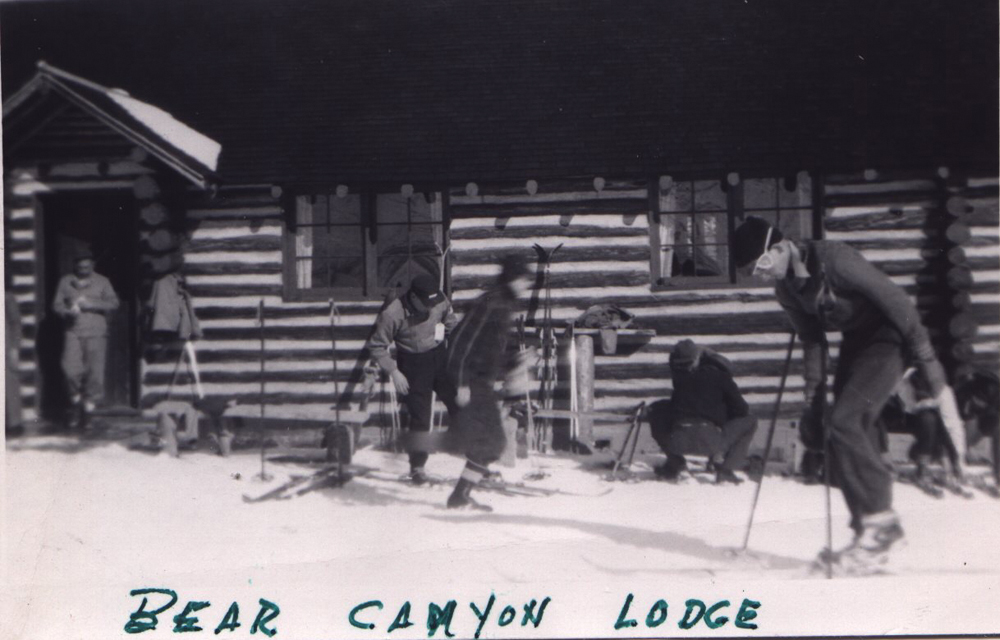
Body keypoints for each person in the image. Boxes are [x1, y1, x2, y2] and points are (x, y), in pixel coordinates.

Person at [732, 216, 957, 570]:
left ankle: (882, 525)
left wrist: (928, 360)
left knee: (846, 421)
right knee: (837, 429)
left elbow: (895, 300)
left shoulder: (834, 260)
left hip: (891, 338)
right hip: (858, 344)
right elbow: (812, 340)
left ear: (778, 247)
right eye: (750, 270)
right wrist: (812, 398)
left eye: (760, 264)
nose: (759, 274)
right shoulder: (786, 289)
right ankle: (866, 532)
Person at [443, 255, 532, 510]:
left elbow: (491, 351)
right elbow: (461, 343)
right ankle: (459, 496)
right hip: (470, 383)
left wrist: (515, 361)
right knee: (493, 442)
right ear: (513, 278)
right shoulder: (489, 304)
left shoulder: (504, 305)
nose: (526, 286)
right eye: (524, 280)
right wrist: (461, 383)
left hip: (481, 383)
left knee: (491, 443)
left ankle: (460, 496)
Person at [367, 273, 460, 483]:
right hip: (413, 364)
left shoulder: (439, 299)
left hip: (439, 356)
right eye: (425, 303)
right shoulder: (393, 313)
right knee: (420, 418)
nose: (430, 307)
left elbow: (451, 323)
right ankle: (417, 467)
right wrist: (394, 372)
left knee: (459, 403)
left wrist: (453, 347)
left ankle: (475, 459)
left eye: (432, 302)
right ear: (414, 297)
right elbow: (377, 346)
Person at [649, 340, 758, 484]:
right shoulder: (721, 377)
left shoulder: (681, 379)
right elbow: (742, 410)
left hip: (678, 442)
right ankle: (726, 469)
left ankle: (675, 463)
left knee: (655, 412)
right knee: (751, 421)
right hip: (712, 442)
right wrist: (723, 413)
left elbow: (673, 409)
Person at [52, 250, 120, 425]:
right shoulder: (65, 281)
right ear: (75, 265)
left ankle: (88, 410)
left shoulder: (103, 281)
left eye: (87, 266)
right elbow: (56, 305)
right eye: (80, 266)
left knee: (94, 373)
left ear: (92, 265)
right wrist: (67, 311)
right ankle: (75, 402)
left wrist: (92, 304)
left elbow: (114, 303)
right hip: (72, 331)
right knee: (70, 370)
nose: (84, 269)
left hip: (96, 332)